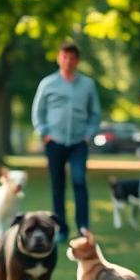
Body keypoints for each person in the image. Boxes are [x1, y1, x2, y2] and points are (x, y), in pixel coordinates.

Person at [31, 41, 101, 241]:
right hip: (55, 141)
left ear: (77, 60)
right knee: (57, 185)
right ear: (59, 58)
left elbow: (95, 113)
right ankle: (61, 229)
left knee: (79, 181)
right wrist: (44, 133)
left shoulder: (87, 84)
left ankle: (83, 229)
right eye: (64, 57)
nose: (68, 61)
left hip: (79, 142)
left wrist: (89, 135)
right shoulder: (48, 83)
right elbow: (38, 111)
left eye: (72, 58)